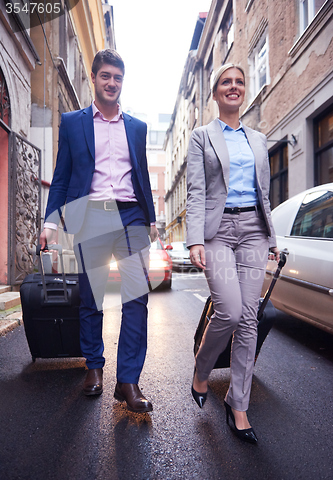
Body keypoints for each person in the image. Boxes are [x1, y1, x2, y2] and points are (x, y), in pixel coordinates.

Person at [39, 49, 158, 412]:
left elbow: (142, 176)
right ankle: (94, 368)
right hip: (90, 214)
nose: (112, 83)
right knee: (92, 298)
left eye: (117, 77)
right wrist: (49, 222)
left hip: (131, 215)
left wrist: (150, 220)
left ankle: (128, 381)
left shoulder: (136, 127)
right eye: (105, 76)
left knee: (136, 299)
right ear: (94, 78)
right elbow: (61, 177)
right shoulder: (73, 122)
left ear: (123, 82)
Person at [186, 63, 279, 443]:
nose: (234, 87)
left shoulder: (258, 139)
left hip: (254, 229)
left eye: (240, 81)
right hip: (218, 230)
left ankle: (238, 404)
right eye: (227, 81)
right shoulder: (201, 137)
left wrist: (272, 237)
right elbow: (195, 191)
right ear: (215, 92)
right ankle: (201, 369)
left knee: (250, 319)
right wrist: (194, 239)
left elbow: (265, 192)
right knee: (229, 309)